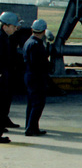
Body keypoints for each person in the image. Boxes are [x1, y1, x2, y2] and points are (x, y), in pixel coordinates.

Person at [23, 18, 50, 137]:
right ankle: (30, 128)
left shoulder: (29, 42)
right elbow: (38, 63)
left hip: (30, 75)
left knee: (32, 103)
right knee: (38, 104)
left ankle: (32, 126)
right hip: (36, 77)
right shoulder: (36, 45)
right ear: (44, 31)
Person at [0, 11, 20, 143]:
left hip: (5, 75)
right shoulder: (1, 39)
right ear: (5, 26)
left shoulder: (6, 38)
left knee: (4, 104)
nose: (15, 28)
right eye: (13, 26)